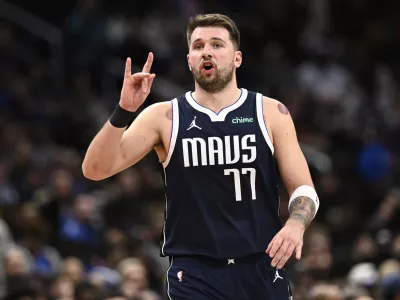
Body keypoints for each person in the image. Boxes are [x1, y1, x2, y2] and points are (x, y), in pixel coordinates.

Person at [82, 13, 319, 300]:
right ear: (190, 59)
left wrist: (296, 224)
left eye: (217, 44)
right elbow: (95, 169)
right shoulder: (164, 116)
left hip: (261, 264)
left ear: (237, 58)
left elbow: (304, 188)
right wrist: (123, 110)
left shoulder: (270, 112)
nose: (206, 51)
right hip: (194, 272)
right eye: (198, 46)